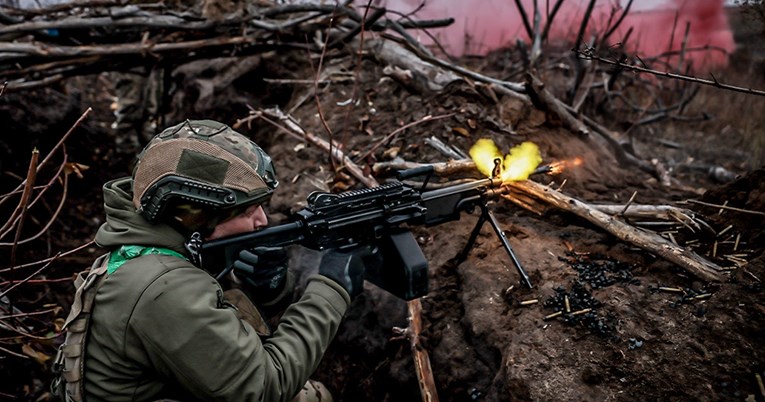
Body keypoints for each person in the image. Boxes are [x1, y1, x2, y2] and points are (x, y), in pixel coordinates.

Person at [52, 119, 369, 402]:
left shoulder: (145, 252)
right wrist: (330, 289)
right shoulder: (164, 287)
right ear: (196, 216)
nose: (261, 220)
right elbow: (263, 387)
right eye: (246, 211)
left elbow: (214, 317)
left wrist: (269, 289)